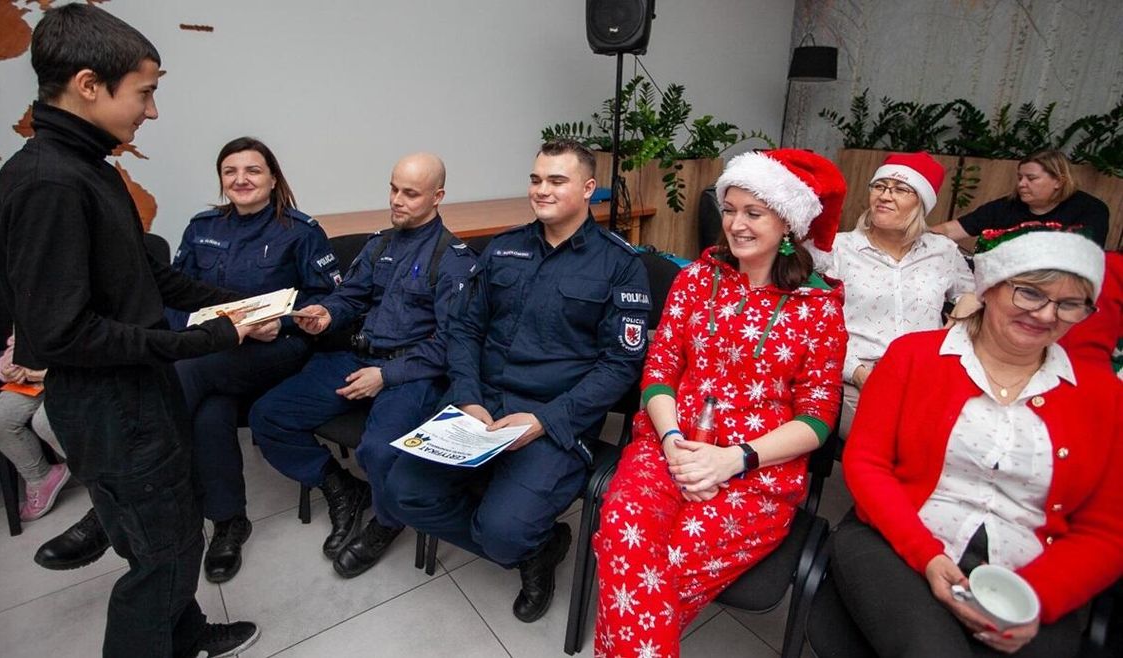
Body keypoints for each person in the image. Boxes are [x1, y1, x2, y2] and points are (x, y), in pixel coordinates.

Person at [0, 5, 259, 656]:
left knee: (175, 535)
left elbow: (151, 278)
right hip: (114, 410)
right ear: (89, 85)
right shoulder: (47, 182)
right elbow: (63, 335)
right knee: (160, 559)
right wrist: (209, 340)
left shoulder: (94, 171)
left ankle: (188, 633)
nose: (152, 112)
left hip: (143, 392)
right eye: (146, 93)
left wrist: (244, 305)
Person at [591, 149, 848, 657]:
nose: (735, 224)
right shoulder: (693, 281)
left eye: (753, 212)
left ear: (788, 222)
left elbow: (818, 419)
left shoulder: (818, 310)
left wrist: (734, 458)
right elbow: (659, 372)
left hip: (757, 473)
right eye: (729, 209)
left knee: (649, 572)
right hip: (668, 448)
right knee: (621, 532)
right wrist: (671, 441)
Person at [825, 224, 1123, 657]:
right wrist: (927, 555)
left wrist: (1037, 597)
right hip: (897, 543)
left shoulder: (1104, 398)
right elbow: (867, 464)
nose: (1045, 314)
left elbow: (1109, 529)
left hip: (1028, 574)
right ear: (990, 287)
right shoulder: (914, 357)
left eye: (1069, 304)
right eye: (1030, 293)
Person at [384, 140, 651, 623]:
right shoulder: (503, 249)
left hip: (552, 418)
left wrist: (546, 420)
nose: (541, 190)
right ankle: (528, 543)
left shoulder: (620, 264)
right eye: (535, 179)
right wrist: (467, 398)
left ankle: (533, 544)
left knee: (502, 534)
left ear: (589, 189)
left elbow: (621, 364)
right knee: (402, 491)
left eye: (556, 180)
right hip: (481, 408)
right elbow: (464, 329)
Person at [249, 152, 477, 576]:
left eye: (410, 193)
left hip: (410, 372)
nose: (397, 200)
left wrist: (385, 376)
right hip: (357, 356)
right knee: (268, 416)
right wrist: (326, 314)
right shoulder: (381, 244)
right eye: (393, 188)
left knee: (378, 451)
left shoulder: (454, 260)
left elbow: (452, 343)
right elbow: (350, 295)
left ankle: (386, 522)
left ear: (437, 197)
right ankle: (341, 487)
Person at [170, 137, 339, 583]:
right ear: (222, 181)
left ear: (272, 178)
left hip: (276, 349)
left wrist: (281, 324)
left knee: (187, 372)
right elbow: (173, 296)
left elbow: (326, 301)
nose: (241, 179)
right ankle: (228, 523)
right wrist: (190, 330)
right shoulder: (202, 227)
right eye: (231, 171)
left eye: (253, 170)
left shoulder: (300, 231)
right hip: (217, 350)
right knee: (208, 412)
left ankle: (137, 474)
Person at [818, 152, 977, 438]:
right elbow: (818, 327)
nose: (885, 196)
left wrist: (957, 320)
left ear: (922, 203)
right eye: (879, 186)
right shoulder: (838, 250)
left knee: (959, 435)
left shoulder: (942, 252)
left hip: (924, 377)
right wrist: (857, 372)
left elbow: (976, 295)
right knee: (899, 439)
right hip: (857, 376)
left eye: (900, 189)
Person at [932, 149, 1109, 247]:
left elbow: (1087, 256)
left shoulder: (1090, 210)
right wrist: (911, 236)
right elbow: (951, 230)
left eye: (1031, 179)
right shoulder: (1004, 207)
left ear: (1058, 181)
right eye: (1019, 178)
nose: (1021, 184)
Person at [0, 332, 69, 521]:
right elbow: (18, 338)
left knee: (46, 422)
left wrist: (46, 370)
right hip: (33, 378)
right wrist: (8, 365)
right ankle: (41, 477)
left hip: (70, 372)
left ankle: (103, 479)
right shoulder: (25, 302)